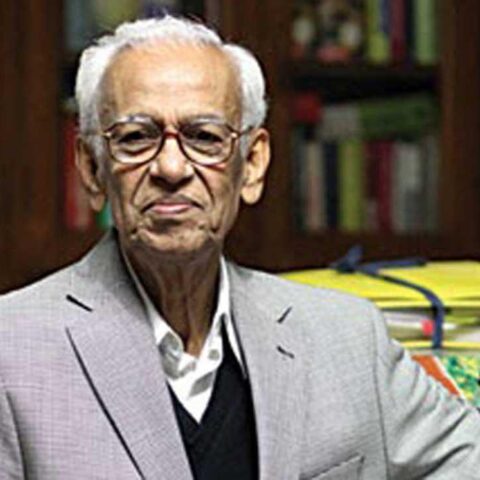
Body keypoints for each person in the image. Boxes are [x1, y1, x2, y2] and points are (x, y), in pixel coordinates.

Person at [1, 15, 479, 480]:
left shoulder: (348, 339)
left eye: (204, 137)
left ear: (251, 165)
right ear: (91, 168)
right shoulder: (12, 351)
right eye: (136, 138)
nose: (171, 168)